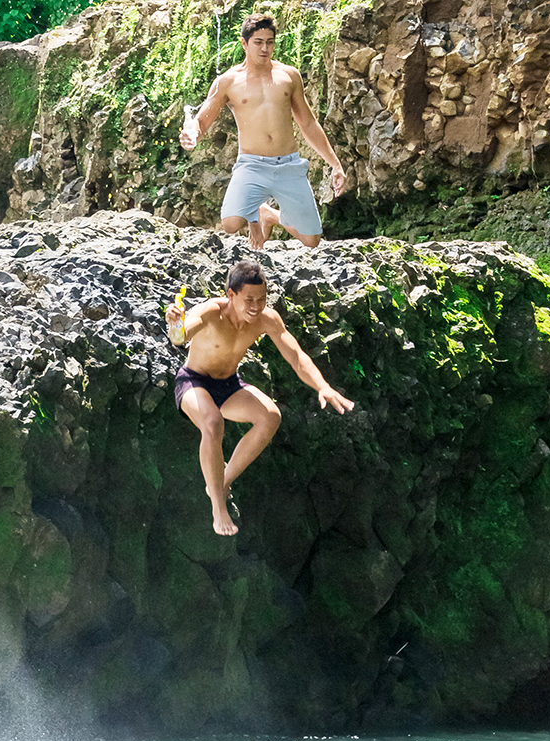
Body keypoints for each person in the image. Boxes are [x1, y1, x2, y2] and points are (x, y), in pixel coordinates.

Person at [166, 259, 354, 535]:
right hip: (194, 382)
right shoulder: (211, 312)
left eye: (262, 299)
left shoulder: (267, 319)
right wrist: (176, 323)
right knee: (213, 423)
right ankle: (219, 507)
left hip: (228, 384)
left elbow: (296, 356)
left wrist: (322, 386)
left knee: (270, 417)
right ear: (231, 294)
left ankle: (221, 481)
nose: (256, 306)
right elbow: (180, 337)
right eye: (249, 299)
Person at [179, 13, 347, 250]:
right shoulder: (227, 81)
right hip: (252, 165)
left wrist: (335, 164)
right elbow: (203, 120)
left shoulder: (289, 76)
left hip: (288, 164)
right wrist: (192, 135)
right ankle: (254, 215)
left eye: (269, 42)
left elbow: (307, 123)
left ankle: (268, 214)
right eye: (258, 42)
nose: (265, 48)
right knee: (230, 223)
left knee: (311, 240)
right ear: (244, 43)